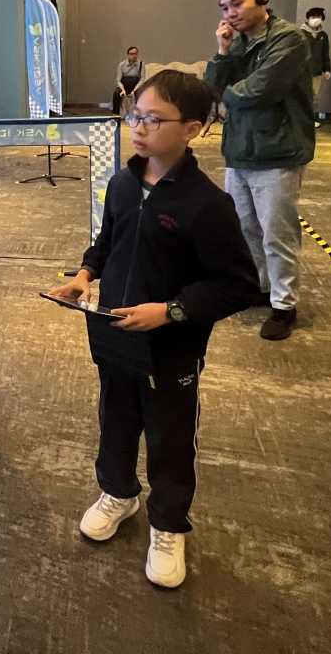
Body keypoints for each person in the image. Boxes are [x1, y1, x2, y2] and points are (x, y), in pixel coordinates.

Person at [48, 71, 259, 589]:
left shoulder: (208, 205)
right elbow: (107, 241)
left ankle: (167, 523)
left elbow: (237, 285)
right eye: (134, 116)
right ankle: (118, 493)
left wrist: (170, 311)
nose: (138, 128)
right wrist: (85, 274)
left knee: (169, 438)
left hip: (171, 350)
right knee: (115, 421)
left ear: (192, 129)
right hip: (114, 334)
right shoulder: (122, 184)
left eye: (152, 120)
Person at [204, 0, 315, 341]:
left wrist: (222, 99)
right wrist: (222, 52)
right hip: (239, 151)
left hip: (277, 151)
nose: (230, 13)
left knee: (277, 234)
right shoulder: (237, 42)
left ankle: (284, 306)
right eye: (224, 8)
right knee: (245, 230)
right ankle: (261, 288)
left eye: (237, 4)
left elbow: (260, 90)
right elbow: (211, 86)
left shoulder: (289, 39)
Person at [301, 8, 331, 128]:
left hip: (317, 71)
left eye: (318, 17)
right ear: (308, 18)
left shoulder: (323, 35)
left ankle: (311, 119)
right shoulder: (300, 33)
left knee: (314, 97)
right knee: (303, 95)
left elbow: (325, 53)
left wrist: (327, 69)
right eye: (313, 17)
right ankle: (301, 120)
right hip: (302, 71)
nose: (316, 20)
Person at [112, 47, 144, 116]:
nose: (134, 56)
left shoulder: (141, 64)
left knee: (141, 94)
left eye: (135, 53)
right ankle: (116, 113)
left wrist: (134, 90)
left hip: (135, 85)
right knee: (116, 93)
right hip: (124, 85)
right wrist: (123, 89)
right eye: (132, 54)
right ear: (128, 55)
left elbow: (142, 79)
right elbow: (118, 80)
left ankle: (140, 113)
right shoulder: (122, 65)